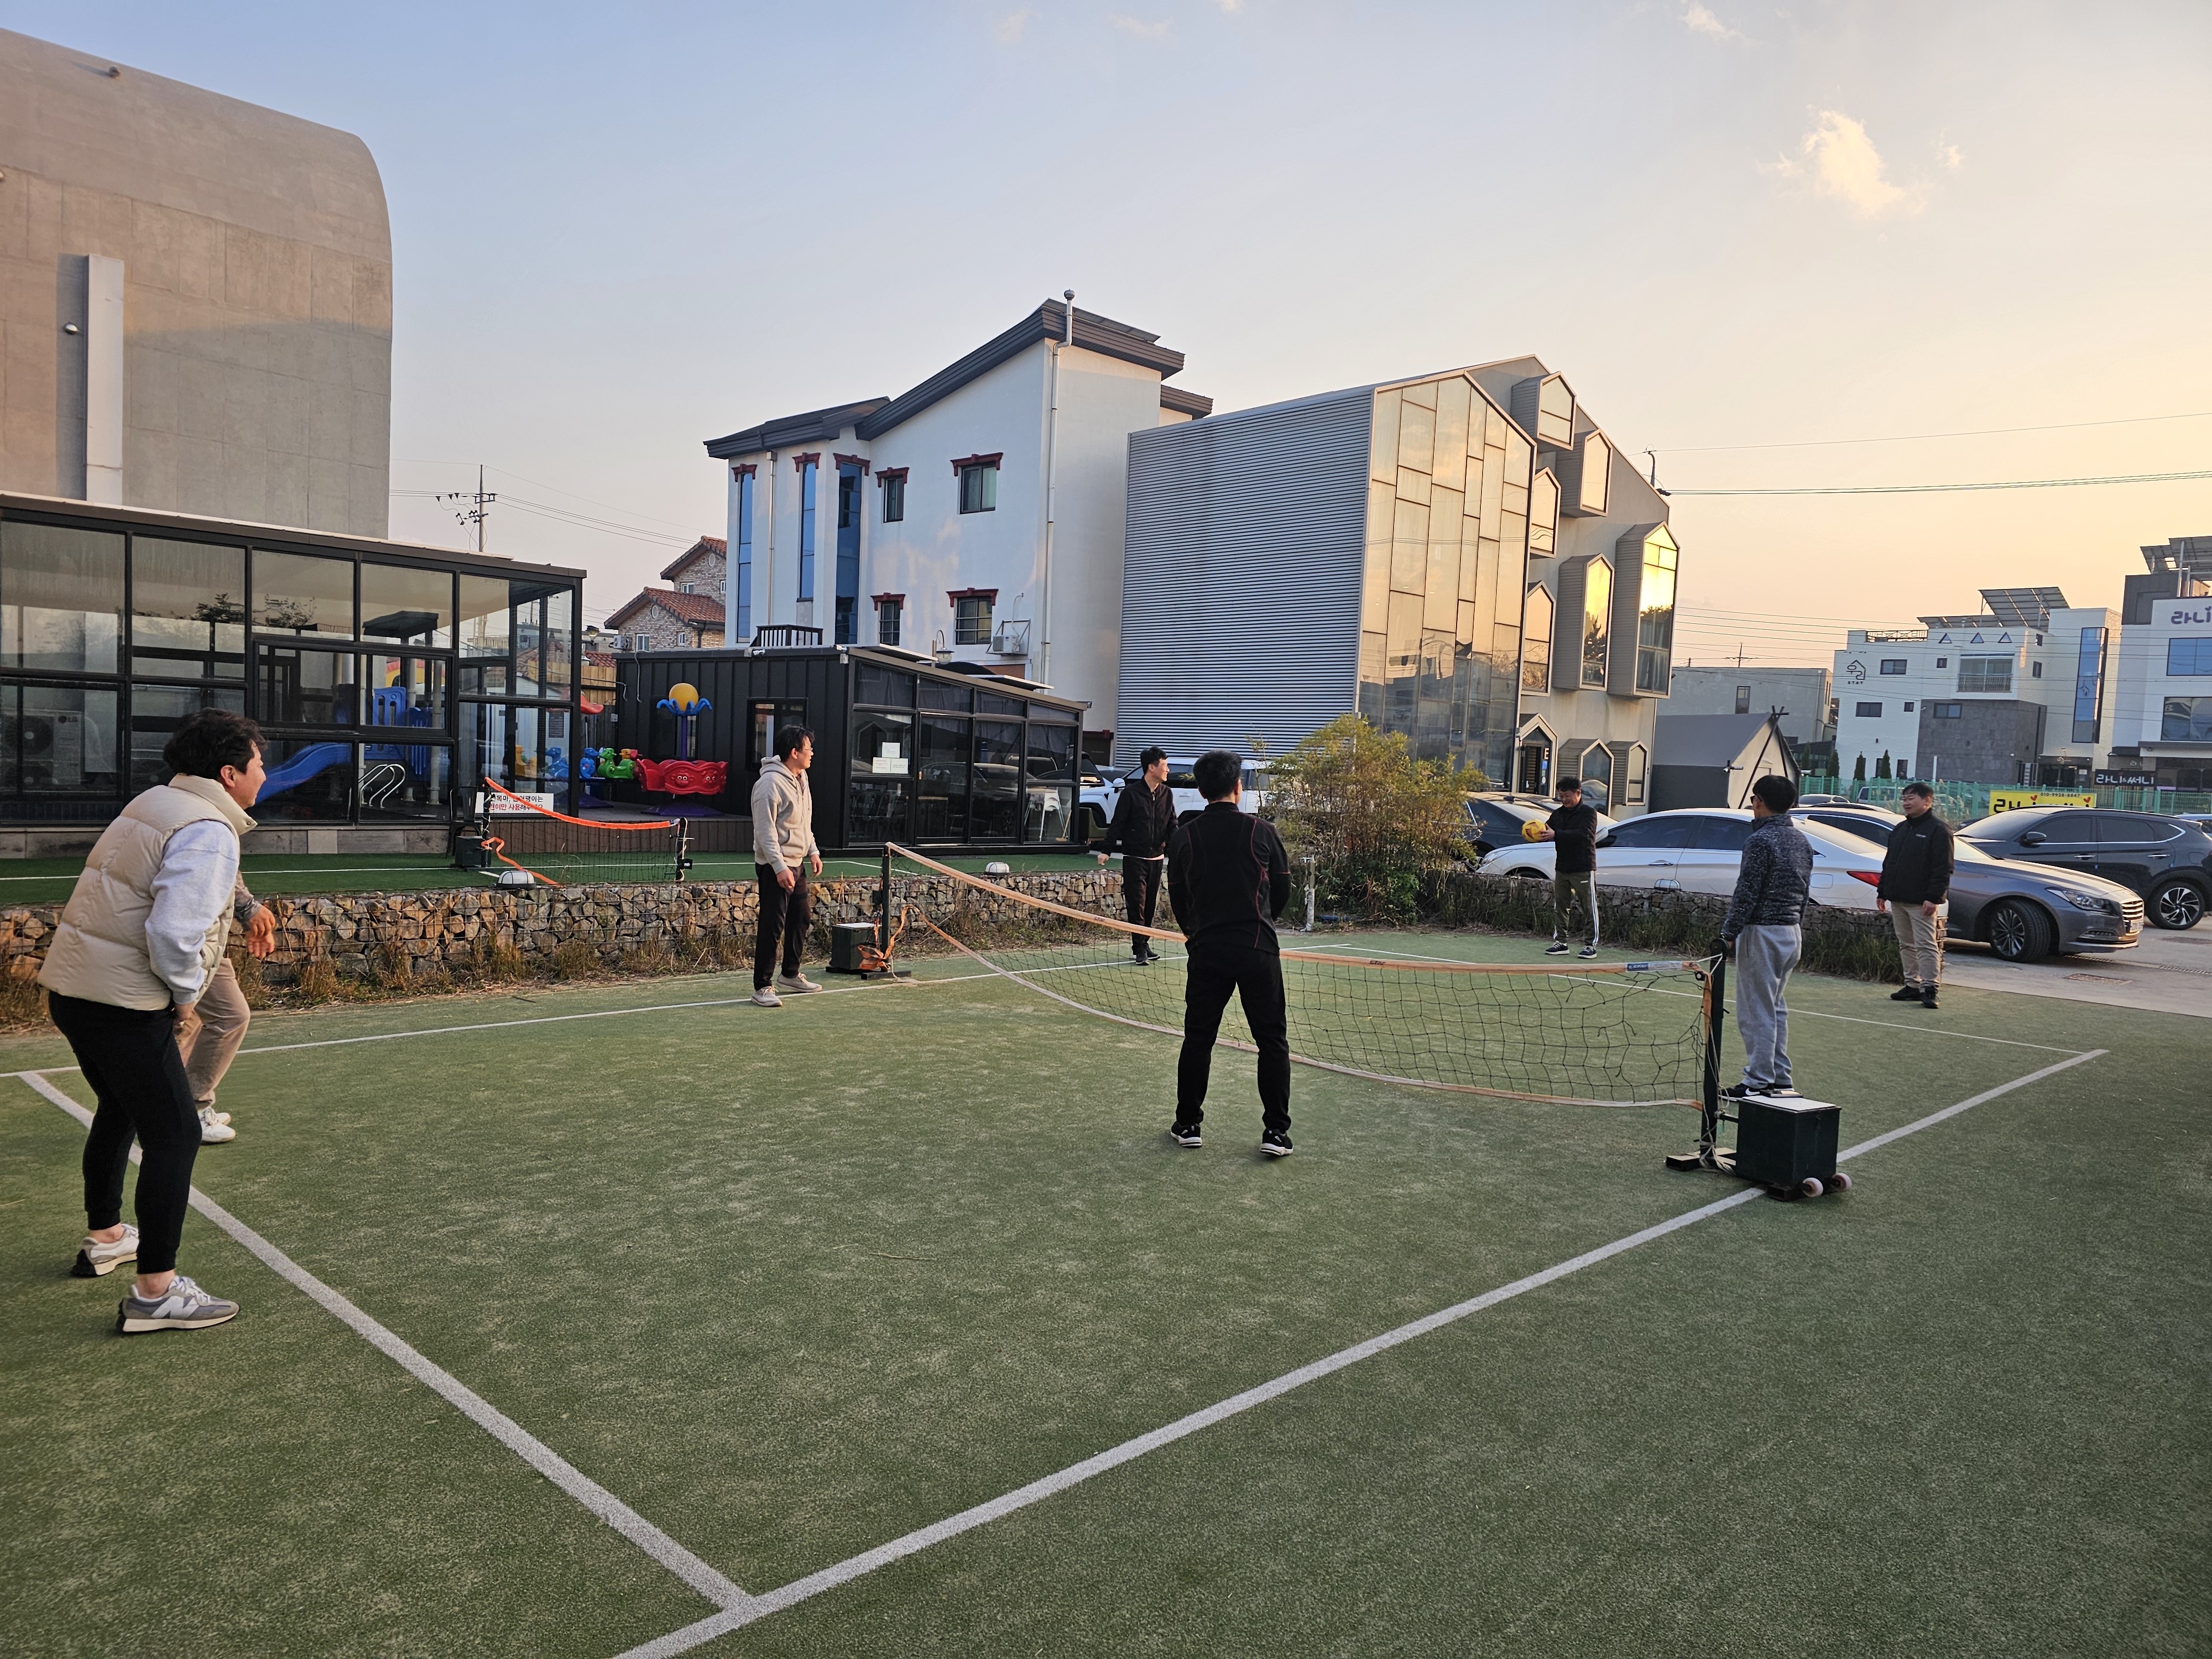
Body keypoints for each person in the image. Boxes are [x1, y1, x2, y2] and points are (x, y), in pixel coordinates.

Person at [39, 708, 265, 1334]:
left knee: (121, 1109)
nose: (264, 775)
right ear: (229, 773)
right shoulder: (208, 828)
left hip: (76, 991)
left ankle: (108, 1237)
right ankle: (155, 1292)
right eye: (258, 764)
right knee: (176, 1134)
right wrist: (186, 997)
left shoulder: (156, 803)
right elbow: (173, 931)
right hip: (123, 1003)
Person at [1164, 750, 1294, 1156]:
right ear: (1238, 787)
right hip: (1258, 948)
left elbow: (1179, 897)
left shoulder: (1185, 836)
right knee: (1272, 1041)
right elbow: (1282, 890)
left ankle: (1188, 1124)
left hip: (1207, 950)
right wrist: (1261, 921)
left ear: (1202, 791)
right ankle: (1276, 1132)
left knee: (1198, 1038)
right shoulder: (1263, 831)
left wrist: (1195, 933)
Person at [1719, 775, 1814, 1100]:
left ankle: (1758, 1080)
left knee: (1755, 1010)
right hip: (1791, 932)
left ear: (1759, 801)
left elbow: (1747, 892)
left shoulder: (1760, 841)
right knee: (1775, 1007)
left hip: (1762, 932)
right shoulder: (1801, 840)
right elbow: (1804, 891)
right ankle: (1779, 1077)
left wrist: (1728, 933)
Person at [171, 875, 277, 1144]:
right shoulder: (212, 841)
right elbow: (218, 868)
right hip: (188, 940)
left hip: (197, 938)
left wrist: (248, 915)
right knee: (230, 1015)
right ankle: (191, 1110)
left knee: (192, 1021)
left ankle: (170, 1108)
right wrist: (250, 910)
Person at [749, 724, 823, 1009]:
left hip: (798, 863)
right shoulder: (768, 785)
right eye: (808, 749)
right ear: (794, 752)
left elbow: (804, 821)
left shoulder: (802, 778)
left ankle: (790, 974)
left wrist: (812, 851)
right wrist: (780, 867)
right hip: (774, 867)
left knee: (801, 918)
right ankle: (762, 987)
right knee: (772, 925)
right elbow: (765, 833)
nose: (812, 753)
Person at [1095, 746, 1176, 963]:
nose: (1168, 770)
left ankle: (1144, 944)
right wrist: (1106, 850)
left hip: (1157, 859)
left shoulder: (1167, 794)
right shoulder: (1131, 794)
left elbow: (1172, 824)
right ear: (1152, 768)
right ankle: (1139, 948)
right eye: (1165, 765)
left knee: (1150, 905)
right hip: (1135, 859)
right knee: (1137, 904)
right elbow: (1118, 823)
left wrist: (1178, 848)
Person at [1877, 780, 1953, 1009]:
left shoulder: (1939, 830)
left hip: (1922, 902)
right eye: (1904, 799)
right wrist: (1883, 892)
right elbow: (1890, 863)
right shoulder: (1901, 829)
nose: (1906, 803)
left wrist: (1934, 897)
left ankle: (1930, 988)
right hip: (1898, 898)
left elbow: (1943, 868)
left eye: (1911, 798)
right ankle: (1912, 985)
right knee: (1906, 944)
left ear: (1927, 801)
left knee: (1926, 945)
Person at [1538, 777, 1600, 958]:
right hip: (1562, 867)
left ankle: (1590, 945)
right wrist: (1535, 833)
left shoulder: (1589, 813)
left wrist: (1556, 834)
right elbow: (1547, 830)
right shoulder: (1558, 814)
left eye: (1567, 795)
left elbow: (1583, 834)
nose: (1563, 799)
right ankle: (1561, 942)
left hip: (1583, 867)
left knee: (1588, 907)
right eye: (1561, 796)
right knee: (1561, 906)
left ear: (1578, 793)